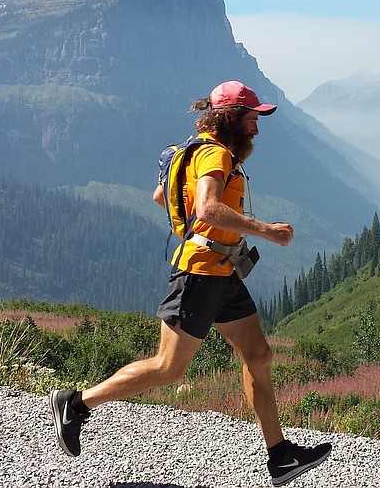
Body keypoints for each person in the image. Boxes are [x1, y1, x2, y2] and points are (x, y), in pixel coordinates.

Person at [49, 80, 331, 486]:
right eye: (252, 119)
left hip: (222, 271)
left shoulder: (194, 149)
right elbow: (209, 208)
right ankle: (76, 404)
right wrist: (266, 230)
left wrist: (204, 228)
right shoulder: (215, 154)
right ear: (231, 118)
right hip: (200, 275)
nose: (256, 128)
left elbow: (160, 195)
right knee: (168, 368)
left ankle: (280, 456)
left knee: (258, 354)